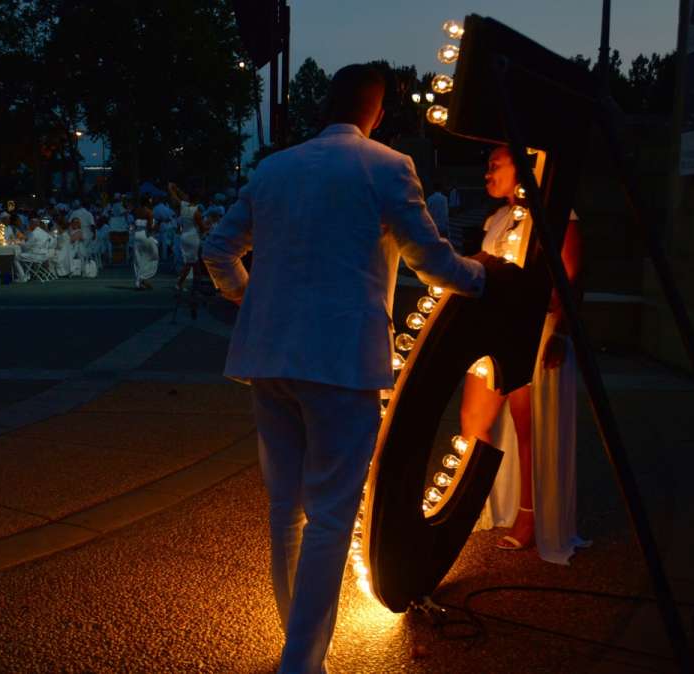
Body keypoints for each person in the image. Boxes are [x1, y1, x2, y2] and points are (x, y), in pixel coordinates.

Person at [203, 64, 488, 673]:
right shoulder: (386, 166)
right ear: (377, 112)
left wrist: (243, 295)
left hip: (268, 357)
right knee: (332, 516)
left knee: (287, 508)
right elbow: (429, 259)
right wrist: (484, 277)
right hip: (341, 361)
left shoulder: (274, 168)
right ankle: (301, 662)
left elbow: (218, 248)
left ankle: (298, 649)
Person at [465, 145, 587, 563]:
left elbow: (570, 275)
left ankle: (529, 516)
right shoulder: (498, 219)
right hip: (490, 333)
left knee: (526, 427)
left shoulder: (556, 215)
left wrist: (561, 332)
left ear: (523, 168)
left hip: (533, 333)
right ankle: (467, 501)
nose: (486, 173)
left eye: (494, 164)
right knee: (472, 420)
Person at [168, 182, 205, 291]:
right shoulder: (196, 212)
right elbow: (201, 228)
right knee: (190, 262)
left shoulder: (183, 206)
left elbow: (176, 198)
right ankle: (179, 283)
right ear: (197, 200)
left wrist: (172, 189)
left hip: (184, 235)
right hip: (193, 237)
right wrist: (206, 226)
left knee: (194, 262)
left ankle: (198, 282)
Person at [131, 198, 158, 290]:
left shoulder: (136, 211)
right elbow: (150, 228)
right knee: (153, 256)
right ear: (147, 203)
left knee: (138, 258)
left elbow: (133, 224)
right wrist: (155, 227)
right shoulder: (149, 212)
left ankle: (140, 281)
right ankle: (142, 278)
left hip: (136, 235)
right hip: (145, 235)